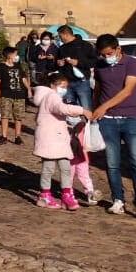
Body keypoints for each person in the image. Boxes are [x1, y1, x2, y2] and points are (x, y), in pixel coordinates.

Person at [90, 33, 136, 219]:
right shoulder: (100, 65)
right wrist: (94, 110)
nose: (105, 57)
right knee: (112, 163)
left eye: (108, 53)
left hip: (131, 118)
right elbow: (98, 89)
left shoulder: (133, 63)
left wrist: (104, 106)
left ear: (118, 49)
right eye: (102, 54)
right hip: (108, 120)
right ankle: (118, 199)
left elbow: (127, 90)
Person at [31, 73, 86, 210]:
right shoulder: (52, 96)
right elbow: (61, 109)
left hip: (57, 138)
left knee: (65, 167)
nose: (64, 89)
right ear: (53, 86)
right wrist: (82, 110)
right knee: (48, 167)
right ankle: (44, 194)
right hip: (50, 139)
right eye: (62, 86)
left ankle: (66, 194)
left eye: (66, 87)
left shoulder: (52, 97)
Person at [0, 46, 30, 145]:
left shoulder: (18, 66)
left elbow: (23, 78)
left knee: (18, 117)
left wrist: (29, 89)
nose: (16, 56)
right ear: (9, 55)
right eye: (15, 54)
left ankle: (17, 136)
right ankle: (3, 136)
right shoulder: (2, 66)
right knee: (5, 116)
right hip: (6, 94)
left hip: (19, 94)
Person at [55, 25, 96, 110]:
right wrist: (59, 63)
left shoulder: (85, 46)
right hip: (66, 82)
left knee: (85, 106)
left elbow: (94, 62)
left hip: (82, 82)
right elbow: (55, 64)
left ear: (66, 34)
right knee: (69, 107)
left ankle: (88, 122)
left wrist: (78, 63)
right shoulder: (62, 48)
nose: (60, 38)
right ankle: (72, 123)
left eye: (60, 36)